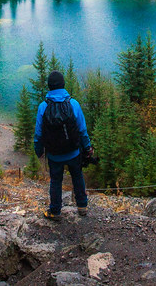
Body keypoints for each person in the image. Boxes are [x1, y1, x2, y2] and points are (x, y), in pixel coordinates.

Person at [34, 70, 92, 220]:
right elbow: (82, 129)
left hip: (54, 154)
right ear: (63, 84)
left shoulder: (43, 107)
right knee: (77, 176)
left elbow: (38, 133)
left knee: (56, 181)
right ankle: (82, 206)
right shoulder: (73, 104)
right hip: (73, 151)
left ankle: (55, 211)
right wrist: (87, 147)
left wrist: (38, 150)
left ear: (49, 87)